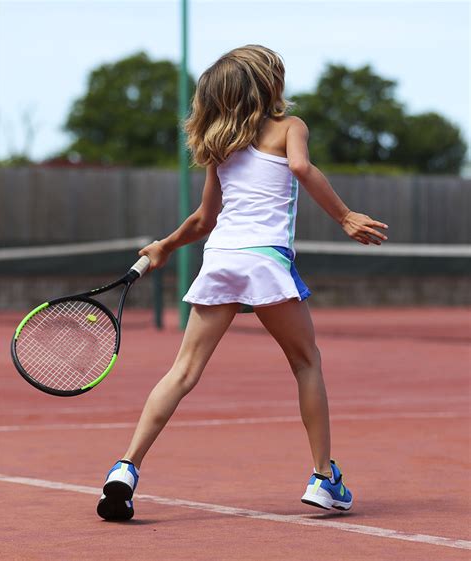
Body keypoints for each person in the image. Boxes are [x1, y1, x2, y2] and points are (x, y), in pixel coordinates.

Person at [97, 45, 389, 521]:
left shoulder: (221, 147)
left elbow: (204, 219)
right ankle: (323, 478)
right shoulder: (291, 128)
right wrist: (346, 215)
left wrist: (166, 247)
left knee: (183, 372)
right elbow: (299, 167)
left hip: (219, 261)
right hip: (264, 259)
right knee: (306, 362)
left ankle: (125, 468)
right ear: (266, 85)